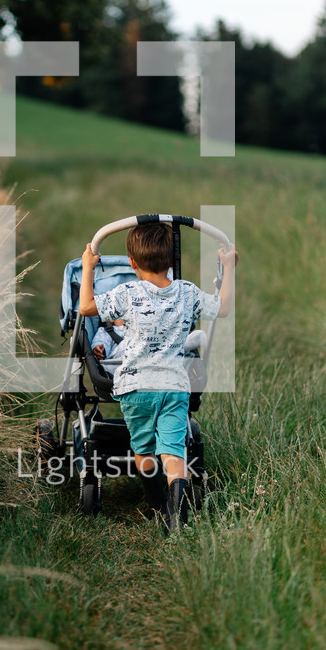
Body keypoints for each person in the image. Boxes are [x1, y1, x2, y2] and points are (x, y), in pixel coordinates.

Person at [79, 222, 237, 533]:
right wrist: (228, 268)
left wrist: (87, 268)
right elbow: (223, 308)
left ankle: (155, 506)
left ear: (132, 263)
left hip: (135, 388)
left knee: (144, 451)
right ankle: (177, 520)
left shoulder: (126, 292)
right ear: (170, 262)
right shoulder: (187, 292)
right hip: (174, 388)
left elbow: (85, 306)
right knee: (173, 453)